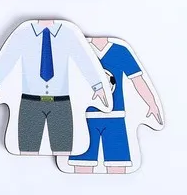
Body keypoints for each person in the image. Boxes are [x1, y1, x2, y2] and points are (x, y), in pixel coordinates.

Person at [0, 20, 109, 155]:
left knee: (63, 148)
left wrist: (97, 86)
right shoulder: (22, 33)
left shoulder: (68, 34)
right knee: (27, 148)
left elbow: (83, 59)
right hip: (30, 101)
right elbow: (7, 59)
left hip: (60, 102)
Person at [69, 37, 163, 174]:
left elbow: (137, 79)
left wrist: (152, 103)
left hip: (115, 116)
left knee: (117, 164)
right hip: (85, 118)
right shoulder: (79, 50)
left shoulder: (120, 51)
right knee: (82, 164)